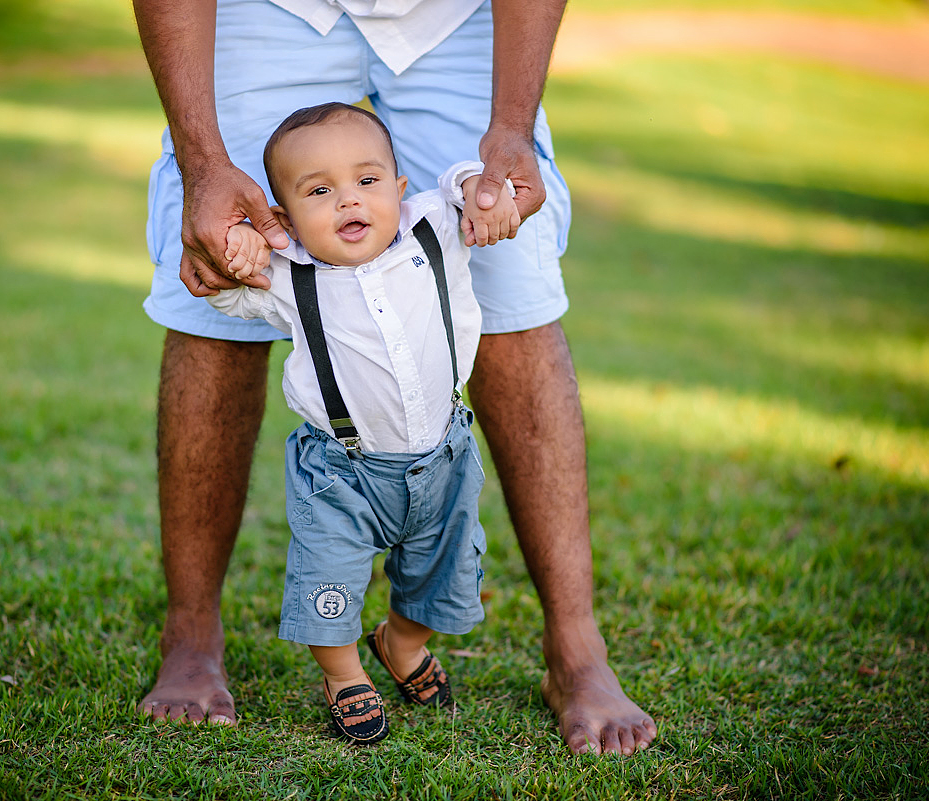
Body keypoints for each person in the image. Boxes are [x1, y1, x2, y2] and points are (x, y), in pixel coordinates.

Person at [132, 0, 658, 756]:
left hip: (455, 16)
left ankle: (577, 649)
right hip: (268, 10)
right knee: (218, 273)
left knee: (512, 276)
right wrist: (204, 161)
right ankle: (190, 635)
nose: (347, 201)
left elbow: (476, 197)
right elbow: (227, 268)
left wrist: (511, 126)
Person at [206, 102, 518, 743]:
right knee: (329, 574)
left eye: (367, 181)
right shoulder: (290, 275)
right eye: (319, 191)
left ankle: (401, 644)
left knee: (444, 571)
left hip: (444, 456)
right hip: (340, 470)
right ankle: (345, 674)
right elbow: (225, 288)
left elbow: (469, 180)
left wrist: (478, 192)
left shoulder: (432, 229)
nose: (348, 201)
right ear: (285, 220)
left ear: (400, 191)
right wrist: (234, 251)